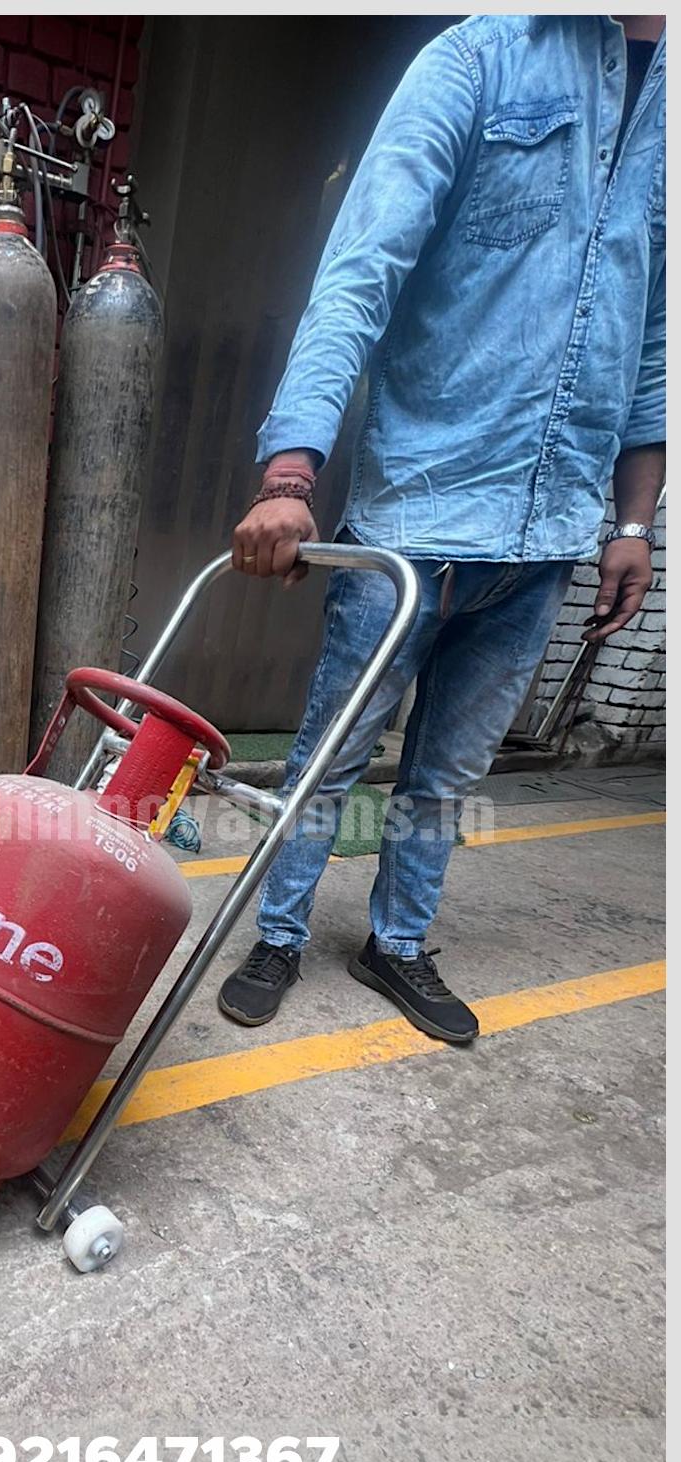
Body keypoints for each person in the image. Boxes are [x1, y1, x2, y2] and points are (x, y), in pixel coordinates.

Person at [219, 14, 666, 1043]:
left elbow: (653, 340)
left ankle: (399, 944)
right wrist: (293, 468)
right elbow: (362, 269)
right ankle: (279, 933)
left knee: (446, 777)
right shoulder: (480, 58)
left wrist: (632, 519)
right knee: (332, 756)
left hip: (549, 537)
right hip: (415, 519)